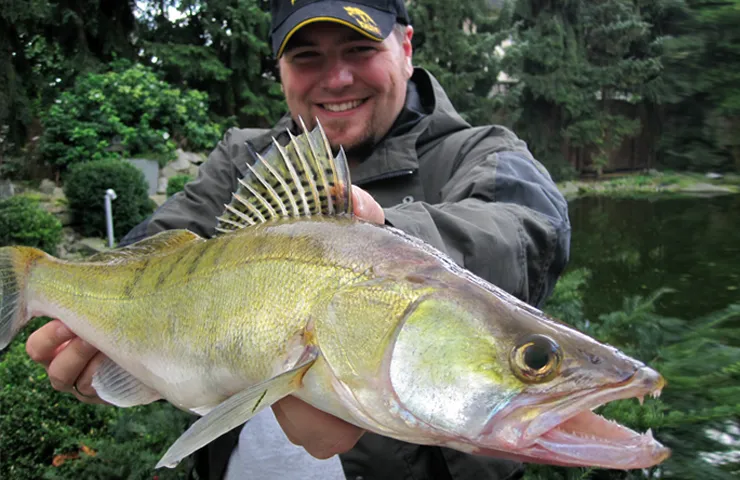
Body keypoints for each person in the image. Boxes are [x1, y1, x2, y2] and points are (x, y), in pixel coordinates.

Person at [25, 0, 571, 478]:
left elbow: (526, 231)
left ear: (406, 47)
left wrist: (378, 250)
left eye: (359, 48)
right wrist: (98, 332)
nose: (335, 79)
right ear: (280, 68)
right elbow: (158, 248)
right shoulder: (244, 159)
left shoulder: (483, 152)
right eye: (306, 56)